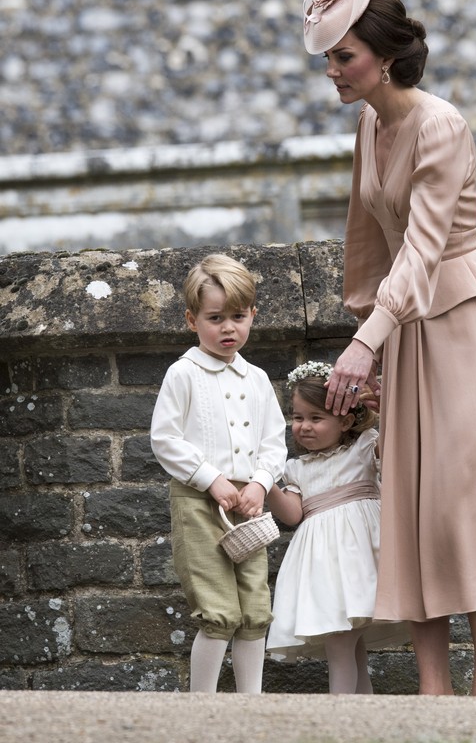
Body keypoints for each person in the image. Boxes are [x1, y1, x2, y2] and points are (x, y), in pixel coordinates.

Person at [302, 0, 476, 696]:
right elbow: (367, 246)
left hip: (466, 322)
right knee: (412, 497)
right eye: (329, 59)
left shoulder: (440, 126)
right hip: (404, 330)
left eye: (343, 57)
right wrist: (368, 343)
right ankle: (432, 688)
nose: (333, 72)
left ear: (381, 56)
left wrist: (363, 342)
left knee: (470, 493)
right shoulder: (369, 127)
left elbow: (422, 248)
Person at [150, 253, 287, 693]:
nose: (228, 328)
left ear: (253, 316)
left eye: (238, 316)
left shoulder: (258, 379)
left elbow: (274, 440)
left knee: (254, 610)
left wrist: (262, 483)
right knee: (218, 610)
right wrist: (211, 478)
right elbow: (165, 438)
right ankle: (202, 708)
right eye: (215, 317)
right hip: (199, 502)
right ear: (192, 320)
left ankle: (251, 706)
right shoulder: (183, 374)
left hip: (248, 507)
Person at [265, 361, 408, 694]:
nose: (305, 427)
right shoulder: (297, 468)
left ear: (344, 421)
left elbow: (394, 450)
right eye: (298, 418)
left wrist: (386, 407)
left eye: (316, 418)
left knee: (342, 643)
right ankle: (360, 718)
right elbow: (292, 515)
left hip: (361, 560)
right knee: (347, 644)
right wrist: (268, 484)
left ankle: (340, 717)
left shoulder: (363, 448)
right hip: (325, 567)